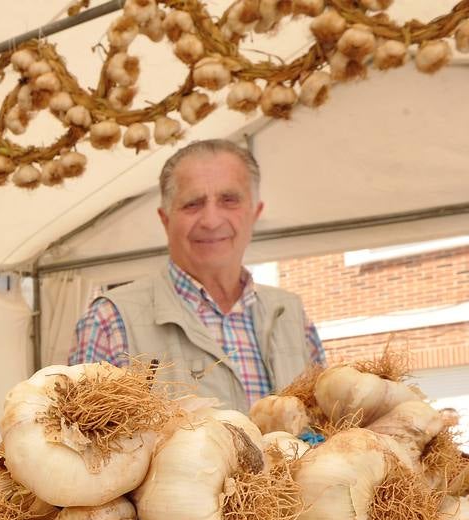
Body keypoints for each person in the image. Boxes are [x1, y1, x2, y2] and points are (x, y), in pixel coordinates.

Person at [68, 140, 324, 412]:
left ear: (255, 212)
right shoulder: (110, 320)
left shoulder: (293, 316)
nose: (211, 221)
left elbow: (324, 431)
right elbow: (82, 445)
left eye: (229, 200)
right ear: (165, 219)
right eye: (192, 203)